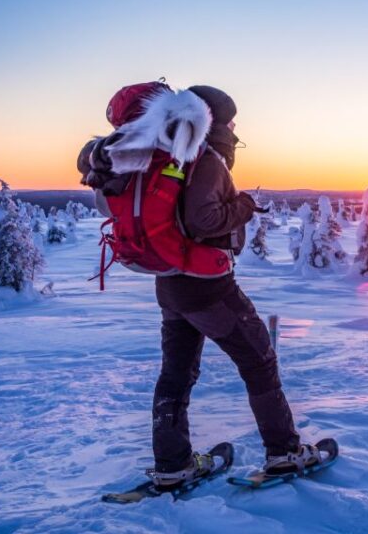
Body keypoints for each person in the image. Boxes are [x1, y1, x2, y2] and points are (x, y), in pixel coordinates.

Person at [78, 82, 320, 488]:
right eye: (231, 123)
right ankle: (284, 452)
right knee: (259, 362)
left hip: (170, 285)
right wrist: (243, 206)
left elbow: (109, 205)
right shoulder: (201, 158)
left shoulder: (149, 156)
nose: (235, 133)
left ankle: (173, 465)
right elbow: (204, 220)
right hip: (208, 287)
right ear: (213, 121)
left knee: (176, 373)